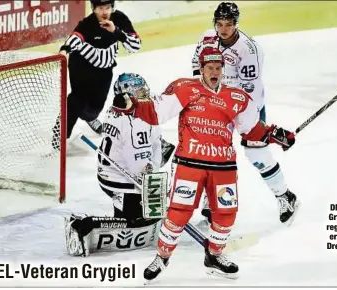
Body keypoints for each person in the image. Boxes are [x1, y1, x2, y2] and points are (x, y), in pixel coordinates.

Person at [112, 47, 295, 280]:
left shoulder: (237, 98)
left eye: (218, 68)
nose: (214, 72)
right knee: (178, 213)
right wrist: (131, 106)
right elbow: (155, 111)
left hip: (224, 167)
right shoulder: (185, 88)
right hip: (190, 163)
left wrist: (276, 134)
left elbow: (252, 131)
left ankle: (215, 256)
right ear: (201, 69)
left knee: (226, 214)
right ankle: (162, 257)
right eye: (210, 68)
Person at [191, 2, 299, 225]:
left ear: (236, 24)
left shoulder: (249, 50)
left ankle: (285, 196)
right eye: (219, 24)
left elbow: (247, 92)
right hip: (215, 104)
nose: (223, 29)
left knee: (256, 154)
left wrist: (257, 128)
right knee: (211, 151)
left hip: (246, 105)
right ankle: (212, 199)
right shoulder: (207, 38)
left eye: (228, 24)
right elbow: (196, 64)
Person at [64, 73, 173, 257]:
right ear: (127, 95)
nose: (145, 94)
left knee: (162, 149)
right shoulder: (135, 124)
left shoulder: (116, 110)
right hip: (121, 181)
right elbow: (140, 169)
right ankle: (82, 226)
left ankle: (125, 204)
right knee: (140, 222)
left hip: (109, 172)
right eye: (139, 92)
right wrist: (155, 193)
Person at [58, 0, 141, 140]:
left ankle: (87, 117)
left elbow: (135, 46)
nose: (104, 12)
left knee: (93, 111)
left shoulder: (120, 19)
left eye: (107, 7)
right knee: (78, 99)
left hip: (104, 70)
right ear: (93, 9)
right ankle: (61, 134)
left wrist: (116, 32)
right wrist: (65, 50)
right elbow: (74, 39)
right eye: (100, 8)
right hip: (81, 66)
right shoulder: (87, 24)